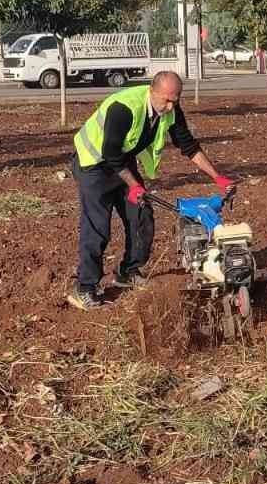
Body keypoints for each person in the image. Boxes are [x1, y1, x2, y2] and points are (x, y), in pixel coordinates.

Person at [68, 71, 233, 311]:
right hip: (93, 164)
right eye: (166, 100)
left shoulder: (171, 110)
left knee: (142, 216)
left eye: (175, 100)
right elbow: (111, 153)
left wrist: (218, 177)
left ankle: (128, 272)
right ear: (152, 91)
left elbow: (188, 145)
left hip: (121, 162)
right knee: (98, 226)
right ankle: (84, 288)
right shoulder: (123, 108)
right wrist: (134, 185)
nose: (170, 106)